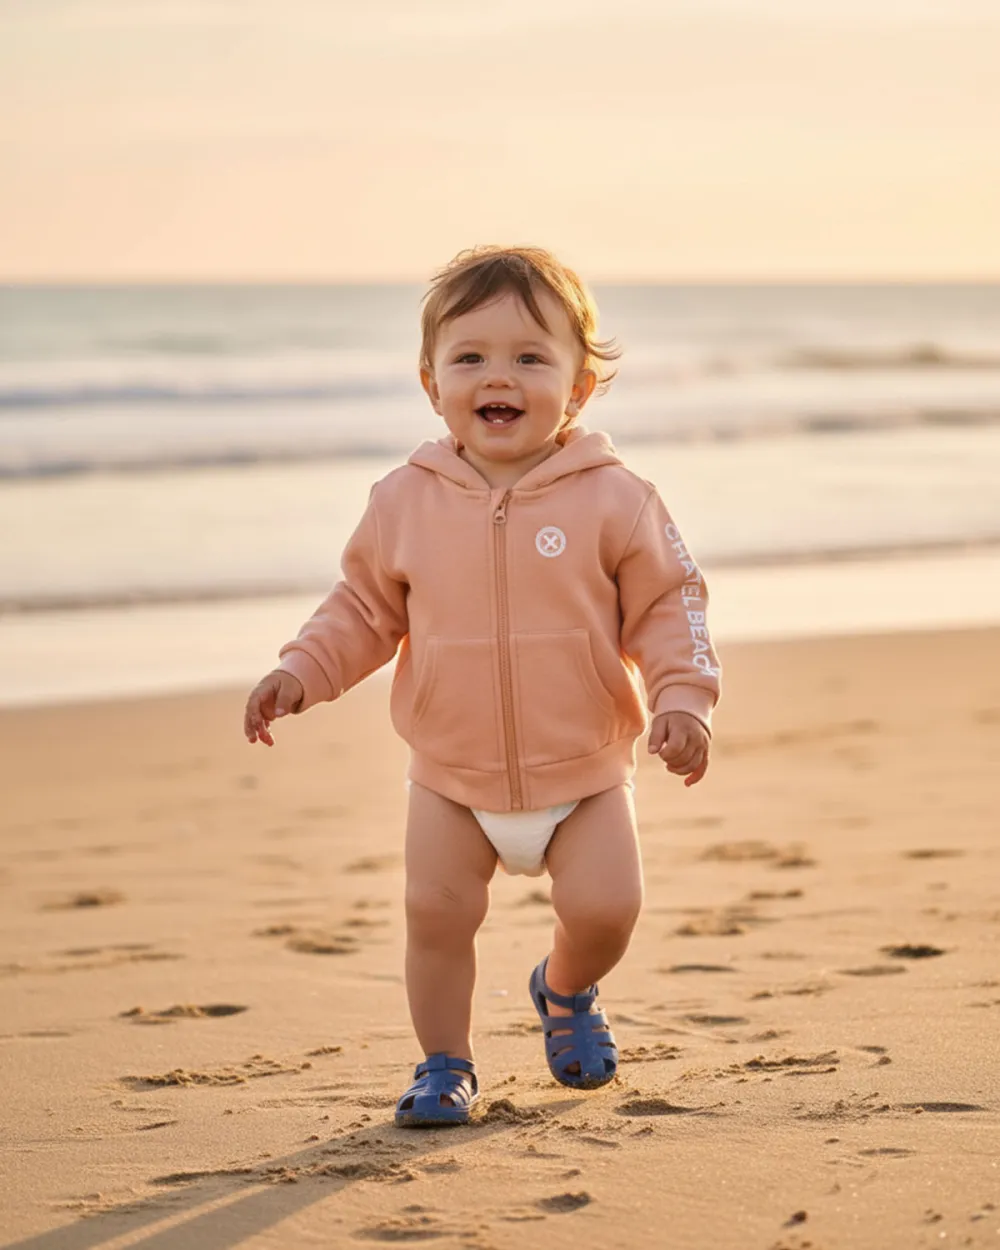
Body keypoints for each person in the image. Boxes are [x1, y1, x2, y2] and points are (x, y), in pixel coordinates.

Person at [243, 245, 721, 1127]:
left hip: (584, 771)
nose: (498, 376)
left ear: (578, 389)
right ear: (432, 384)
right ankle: (444, 1064)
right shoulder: (404, 500)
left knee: (607, 909)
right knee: (435, 915)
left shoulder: (616, 499)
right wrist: (301, 670)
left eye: (530, 357)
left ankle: (565, 988)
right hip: (450, 776)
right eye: (470, 357)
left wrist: (682, 698)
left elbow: (669, 603)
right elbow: (362, 609)